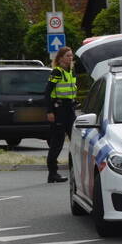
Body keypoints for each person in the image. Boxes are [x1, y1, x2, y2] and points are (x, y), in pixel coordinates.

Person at [44, 46, 76, 184]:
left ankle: (76, 169)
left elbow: (71, 90)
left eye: (71, 56)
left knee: (76, 140)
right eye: (68, 56)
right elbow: (47, 92)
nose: (70, 58)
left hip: (69, 109)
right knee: (57, 143)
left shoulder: (71, 71)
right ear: (61, 58)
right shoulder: (57, 72)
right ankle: (52, 173)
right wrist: (49, 111)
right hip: (59, 110)